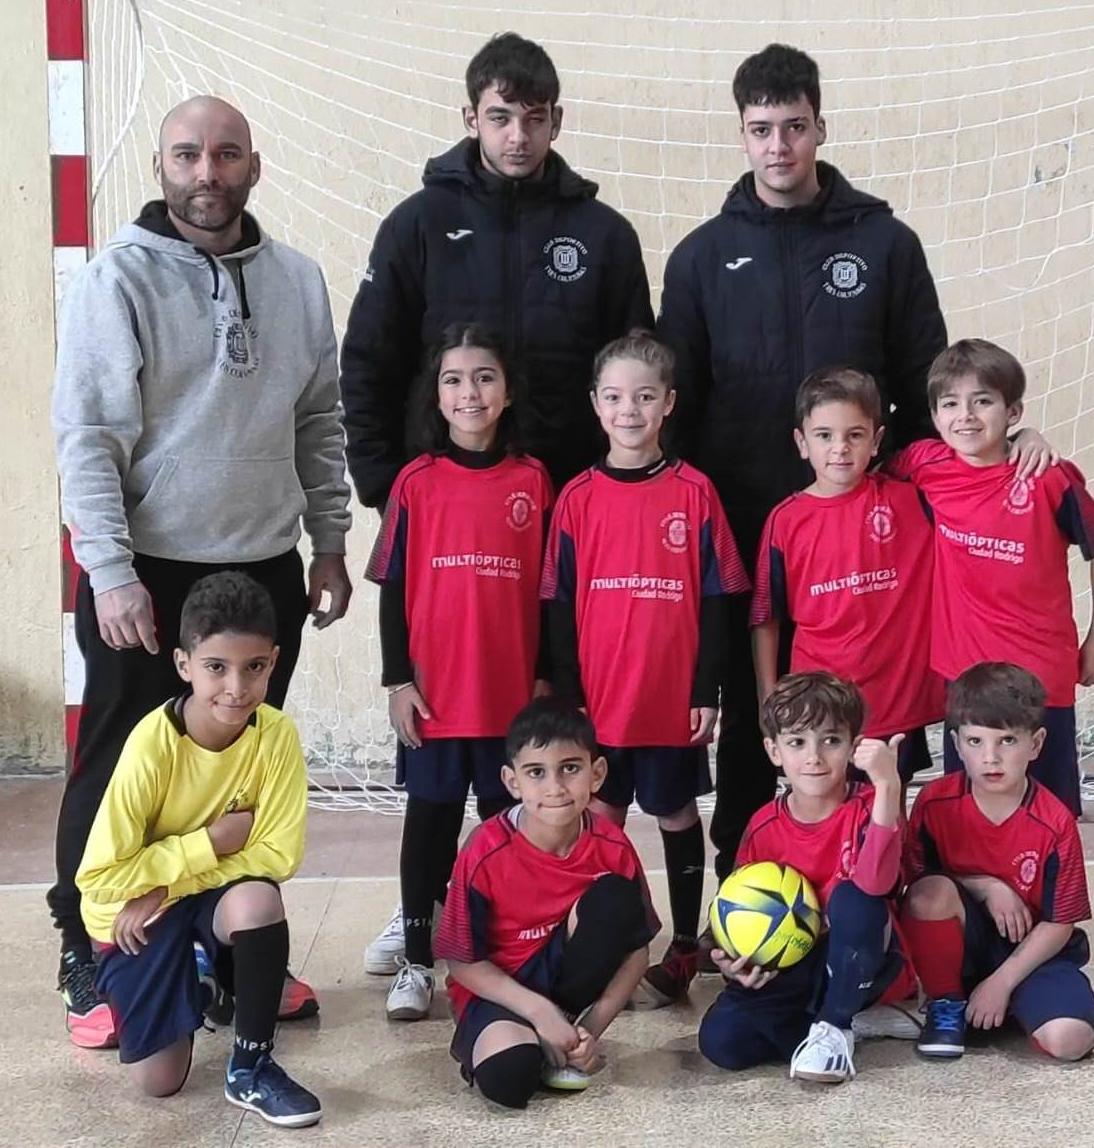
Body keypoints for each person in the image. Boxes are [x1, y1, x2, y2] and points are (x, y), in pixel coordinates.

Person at [658, 43, 1054, 878]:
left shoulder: (884, 244)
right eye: (761, 130)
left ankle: (891, 889)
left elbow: (935, 389)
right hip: (749, 532)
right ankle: (749, 892)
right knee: (765, 717)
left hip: (869, 541)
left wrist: (1003, 444)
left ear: (819, 128)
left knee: (878, 724)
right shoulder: (699, 257)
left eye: (794, 127)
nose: (779, 146)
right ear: (740, 135)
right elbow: (679, 408)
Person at [51, 96, 351, 1046]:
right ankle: (91, 945)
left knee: (238, 773)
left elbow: (319, 423)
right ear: (161, 165)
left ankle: (227, 947)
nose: (207, 173)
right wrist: (108, 570)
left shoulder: (298, 281)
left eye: (226, 155)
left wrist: (331, 540)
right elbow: (88, 439)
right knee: (116, 770)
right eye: (189, 155)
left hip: (264, 566)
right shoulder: (116, 282)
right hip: (147, 576)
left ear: (253, 167)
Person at [340, 30, 653, 499]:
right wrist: (384, 487)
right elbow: (369, 363)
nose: (518, 137)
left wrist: (622, 491)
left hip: (574, 498)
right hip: (441, 499)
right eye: (500, 118)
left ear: (557, 121)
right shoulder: (418, 224)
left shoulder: (605, 235)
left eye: (534, 119)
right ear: (471, 119)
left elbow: (637, 371)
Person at [540, 330, 749, 1009]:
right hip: (599, 702)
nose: (628, 410)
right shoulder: (576, 497)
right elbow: (557, 602)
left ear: (668, 404)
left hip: (669, 699)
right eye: (615, 397)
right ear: (596, 405)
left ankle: (684, 945)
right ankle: (615, 944)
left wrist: (705, 688)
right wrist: (567, 696)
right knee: (599, 818)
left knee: (674, 810)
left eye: (644, 396)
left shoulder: (695, 492)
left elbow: (720, 597)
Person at [76, 572, 322, 1127]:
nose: (236, 687)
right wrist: (209, 842)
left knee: (259, 901)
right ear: (185, 664)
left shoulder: (276, 735)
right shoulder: (150, 746)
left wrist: (168, 880)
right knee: (159, 1084)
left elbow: (278, 856)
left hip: (172, 893)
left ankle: (252, 1068)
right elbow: (98, 879)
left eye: (254, 667)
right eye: (217, 667)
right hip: (132, 914)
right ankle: (192, 970)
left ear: (274, 662)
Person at [362, 325, 554, 1021]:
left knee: (511, 832)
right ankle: (417, 960)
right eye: (453, 379)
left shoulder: (533, 480)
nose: (469, 392)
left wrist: (546, 680)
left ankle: (506, 955)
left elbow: (549, 592)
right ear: (435, 396)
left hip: (510, 701)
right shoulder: (416, 482)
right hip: (438, 698)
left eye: (484, 377)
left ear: (507, 392)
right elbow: (390, 590)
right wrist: (398, 683)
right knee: (432, 826)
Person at [887, 339, 1094, 816]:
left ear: (1012, 411)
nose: (966, 416)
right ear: (934, 417)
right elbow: (870, 468)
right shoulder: (925, 466)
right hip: (965, 677)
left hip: (1042, 674)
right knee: (965, 817)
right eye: (950, 404)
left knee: (1047, 816)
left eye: (984, 401)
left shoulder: (1047, 479)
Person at [434, 698, 659, 1109]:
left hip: (565, 984)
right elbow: (462, 961)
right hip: (498, 990)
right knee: (510, 1078)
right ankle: (528, 1038)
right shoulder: (485, 849)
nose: (555, 787)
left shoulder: (612, 844)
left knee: (612, 898)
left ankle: (561, 1036)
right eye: (537, 772)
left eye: (570, 768)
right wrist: (539, 1013)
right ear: (512, 781)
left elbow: (636, 952)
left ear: (597, 774)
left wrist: (588, 1033)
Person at [697, 672, 918, 1084]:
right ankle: (850, 1022)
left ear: (854, 747)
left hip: (858, 955)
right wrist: (732, 961)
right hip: (791, 963)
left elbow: (877, 884)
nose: (814, 757)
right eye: (797, 742)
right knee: (721, 1044)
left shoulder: (869, 806)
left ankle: (836, 1022)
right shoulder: (763, 825)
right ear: (773, 750)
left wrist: (889, 785)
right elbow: (734, 910)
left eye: (831, 740)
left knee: (854, 900)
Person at [901, 662, 1094, 1063]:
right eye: (975, 741)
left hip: (1031, 956)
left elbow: (1061, 921)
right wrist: (987, 886)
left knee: (1071, 1041)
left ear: (1037, 743)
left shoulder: (1054, 821)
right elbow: (913, 886)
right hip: (962, 947)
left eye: (1007, 740)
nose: (990, 757)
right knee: (930, 894)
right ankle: (947, 1001)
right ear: (957, 744)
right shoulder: (934, 803)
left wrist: (1002, 982)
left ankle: (1007, 1002)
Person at [750, 365, 942, 784]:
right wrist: (769, 696)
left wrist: (1023, 440)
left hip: (894, 702)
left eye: (854, 435)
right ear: (802, 443)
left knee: (887, 815)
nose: (840, 448)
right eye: (824, 436)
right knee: (825, 813)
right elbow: (766, 617)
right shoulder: (785, 521)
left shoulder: (911, 500)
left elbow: (975, 463)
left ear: (876, 441)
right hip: (819, 708)